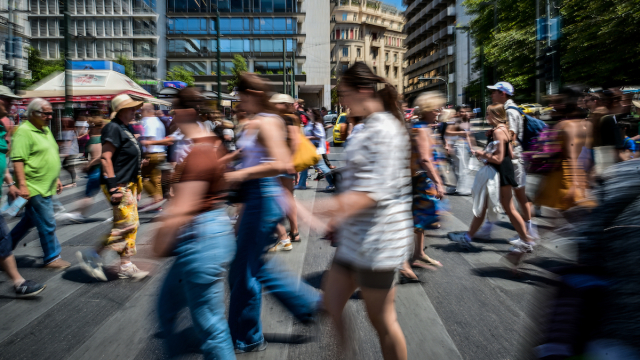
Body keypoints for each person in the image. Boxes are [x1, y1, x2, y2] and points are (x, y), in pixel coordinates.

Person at [316, 62, 411, 360]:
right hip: (355, 237)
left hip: (378, 241)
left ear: (363, 90)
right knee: (331, 303)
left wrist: (315, 209)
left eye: (343, 93)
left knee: (383, 322)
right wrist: (339, 218)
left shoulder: (384, 128)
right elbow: (358, 179)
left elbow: (372, 193)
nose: (341, 100)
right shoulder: (363, 127)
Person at [225, 74, 319, 353]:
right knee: (253, 266)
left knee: (243, 272)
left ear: (252, 92)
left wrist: (240, 174)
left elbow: (282, 164)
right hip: (260, 197)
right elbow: (253, 155)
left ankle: (248, 337)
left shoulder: (266, 121)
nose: (237, 100)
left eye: (240, 95)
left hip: (263, 197)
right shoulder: (260, 120)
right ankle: (306, 302)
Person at [154, 101, 236, 359]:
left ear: (185, 114)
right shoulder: (208, 144)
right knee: (166, 308)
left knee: (211, 326)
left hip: (201, 239)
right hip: (202, 237)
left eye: (174, 113)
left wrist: (156, 244)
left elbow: (185, 206)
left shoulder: (201, 151)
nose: (170, 118)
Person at [76, 94, 149, 281]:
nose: (135, 111)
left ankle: (125, 264)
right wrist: (114, 188)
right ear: (121, 110)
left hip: (128, 184)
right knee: (127, 224)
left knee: (130, 225)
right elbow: (106, 158)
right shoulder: (113, 127)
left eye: (135, 108)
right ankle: (93, 254)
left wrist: (137, 185)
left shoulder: (126, 128)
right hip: (118, 184)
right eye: (131, 108)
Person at [451, 104, 532, 254]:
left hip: (498, 172)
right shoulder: (504, 130)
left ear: (494, 115)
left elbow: (499, 158)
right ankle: (469, 237)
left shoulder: (498, 132)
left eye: (488, 114)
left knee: (504, 207)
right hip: (505, 171)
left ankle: (526, 240)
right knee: (495, 207)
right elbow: (511, 154)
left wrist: (482, 153)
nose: (486, 116)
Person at [9, 98, 69, 269]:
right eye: (46, 113)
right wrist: (22, 185)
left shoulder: (44, 130)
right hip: (34, 186)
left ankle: (2, 250)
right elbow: (18, 160)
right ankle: (52, 257)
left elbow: (49, 154)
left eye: (51, 113)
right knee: (48, 222)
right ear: (32, 113)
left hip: (45, 186)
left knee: (29, 221)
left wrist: (56, 177)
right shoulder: (24, 131)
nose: (50, 116)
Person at [476, 82, 537, 240]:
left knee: (512, 199)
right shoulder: (511, 109)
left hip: (510, 160)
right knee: (511, 198)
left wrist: (497, 135)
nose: (491, 95)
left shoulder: (509, 111)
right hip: (513, 158)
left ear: (502, 93)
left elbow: (512, 137)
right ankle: (526, 231)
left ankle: (527, 233)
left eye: (494, 92)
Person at [0, 93, 47, 297]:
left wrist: (10, 182)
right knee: (2, 238)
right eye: (6, 100)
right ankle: (19, 282)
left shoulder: (3, 127)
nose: (11, 104)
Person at [398, 92, 447, 283]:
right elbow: (425, 159)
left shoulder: (421, 126)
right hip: (419, 181)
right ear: (428, 109)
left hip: (418, 180)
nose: (439, 112)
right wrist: (438, 182)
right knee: (413, 221)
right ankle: (403, 261)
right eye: (436, 108)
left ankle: (418, 253)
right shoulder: (421, 129)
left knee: (419, 221)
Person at [535, 86, 596, 212]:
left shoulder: (564, 126)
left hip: (565, 176)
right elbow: (587, 154)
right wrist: (587, 178)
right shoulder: (588, 124)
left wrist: (574, 184)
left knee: (569, 217)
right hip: (580, 174)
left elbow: (570, 156)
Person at [270, 93, 301, 251]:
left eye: (277, 103)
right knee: (287, 197)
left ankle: (290, 233)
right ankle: (292, 232)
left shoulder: (287, 118)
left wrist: (290, 162)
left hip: (283, 163)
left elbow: (295, 140)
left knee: (284, 197)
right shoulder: (290, 118)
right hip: (284, 162)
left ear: (284, 104)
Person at [62, 118, 105, 223]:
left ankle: (77, 214)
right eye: (89, 127)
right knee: (90, 194)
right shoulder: (94, 138)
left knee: (88, 194)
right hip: (95, 171)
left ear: (96, 128)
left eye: (91, 127)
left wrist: (88, 165)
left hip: (96, 171)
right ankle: (77, 213)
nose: (89, 129)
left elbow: (99, 156)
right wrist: (85, 163)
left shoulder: (96, 140)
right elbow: (91, 156)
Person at [139, 103, 172, 211]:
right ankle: (158, 204)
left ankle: (157, 199)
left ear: (148, 111)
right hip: (160, 153)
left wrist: (146, 155)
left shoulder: (148, 122)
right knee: (156, 179)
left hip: (152, 154)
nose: (140, 112)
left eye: (142, 110)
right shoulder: (157, 121)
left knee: (142, 178)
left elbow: (150, 139)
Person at [295, 109, 336, 191]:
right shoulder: (311, 123)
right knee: (304, 166)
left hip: (316, 150)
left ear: (314, 114)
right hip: (310, 149)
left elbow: (321, 136)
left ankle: (332, 183)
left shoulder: (317, 124)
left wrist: (308, 137)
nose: (308, 113)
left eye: (310, 112)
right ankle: (301, 184)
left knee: (322, 167)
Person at [444, 104, 475, 195]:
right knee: (461, 167)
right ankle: (461, 188)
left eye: (465, 111)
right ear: (457, 112)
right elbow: (447, 132)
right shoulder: (454, 120)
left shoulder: (464, 121)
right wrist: (448, 145)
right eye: (461, 111)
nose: (463, 113)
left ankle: (458, 187)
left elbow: (467, 135)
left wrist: (471, 147)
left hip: (462, 146)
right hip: (457, 146)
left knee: (461, 167)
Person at [58, 117, 80, 188]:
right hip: (73, 151)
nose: (64, 123)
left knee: (67, 165)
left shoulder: (69, 131)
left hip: (71, 152)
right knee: (68, 165)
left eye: (66, 122)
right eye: (63, 122)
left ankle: (74, 181)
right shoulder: (71, 130)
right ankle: (74, 178)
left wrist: (66, 152)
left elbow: (68, 142)